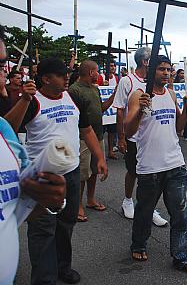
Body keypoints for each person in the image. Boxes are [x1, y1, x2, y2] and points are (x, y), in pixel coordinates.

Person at [5, 57, 108, 284]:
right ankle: (44, 279)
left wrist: (99, 157)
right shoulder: (34, 101)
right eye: (61, 75)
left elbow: (87, 130)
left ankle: (63, 267)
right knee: (43, 229)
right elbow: (6, 130)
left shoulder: (73, 98)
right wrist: (24, 99)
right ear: (45, 79)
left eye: (67, 74)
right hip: (42, 177)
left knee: (66, 224)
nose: (66, 79)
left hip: (70, 173)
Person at [0, 26, 66, 285]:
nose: (3, 77)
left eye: (1, 64)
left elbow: (17, 209)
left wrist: (49, 199)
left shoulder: (5, 132)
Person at [124, 57, 187, 275]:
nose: (166, 73)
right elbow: (128, 131)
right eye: (161, 69)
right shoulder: (139, 95)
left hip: (176, 164)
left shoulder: (171, 94)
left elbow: (178, 127)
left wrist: (186, 106)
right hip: (150, 168)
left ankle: (181, 257)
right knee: (144, 212)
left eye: (169, 70)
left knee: (180, 214)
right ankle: (138, 244)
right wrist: (140, 110)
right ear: (151, 71)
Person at [114, 48, 168, 226]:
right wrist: (121, 138)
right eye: (153, 60)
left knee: (153, 175)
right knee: (133, 171)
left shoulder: (157, 82)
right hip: (134, 136)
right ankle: (128, 200)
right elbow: (120, 110)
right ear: (145, 62)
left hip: (152, 137)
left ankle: (149, 207)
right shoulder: (127, 80)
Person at [68, 61, 116, 222]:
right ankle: (77, 205)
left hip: (98, 136)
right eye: (97, 71)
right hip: (83, 138)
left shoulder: (94, 88)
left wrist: (115, 93)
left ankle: (90, 199)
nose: (99, 74)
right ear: (90, 72)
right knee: (82, 174)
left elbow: (101, 108)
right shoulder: (74, 90)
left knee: (94, 171)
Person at [98, 60, 119, 159]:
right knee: (100, 132)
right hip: (103, 107)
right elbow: (95, 88)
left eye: (114, 66)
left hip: (112, 110)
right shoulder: (101, 77)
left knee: (112, 132)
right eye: (111, 66)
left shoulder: (116, 78)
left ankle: (110, 151)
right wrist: (102, 85)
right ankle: (99, 152)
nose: (113, 68)